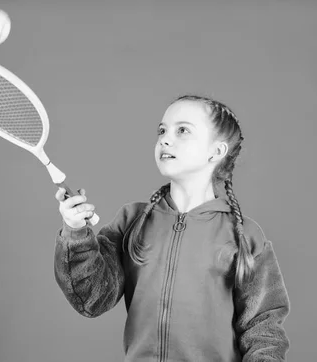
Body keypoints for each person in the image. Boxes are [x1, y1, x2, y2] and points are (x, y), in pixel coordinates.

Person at [53, 95, 290, 361]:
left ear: (217, 152)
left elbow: (264, 328)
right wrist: (76, 233)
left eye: (183, 130)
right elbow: (91, 299)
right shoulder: (132, 220)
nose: (165, 139)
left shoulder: (244, 235)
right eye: (162, 130)